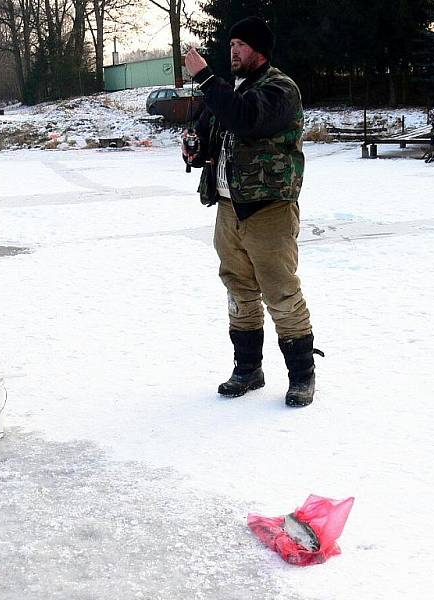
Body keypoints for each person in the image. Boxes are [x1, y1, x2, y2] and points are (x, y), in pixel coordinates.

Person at [183, 17, 322, 407]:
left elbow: (245, 119)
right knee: (239, 288)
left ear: (259, 51)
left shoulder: (280, 89)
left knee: (280, 291)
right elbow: (216, 135)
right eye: (230, 45)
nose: (233, 51)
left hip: (269, 209)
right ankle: (248, 369)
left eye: (240, 45)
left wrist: (207, 78)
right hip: (229, 209)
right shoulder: (230, 91)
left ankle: (302, 376)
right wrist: (197, 151)